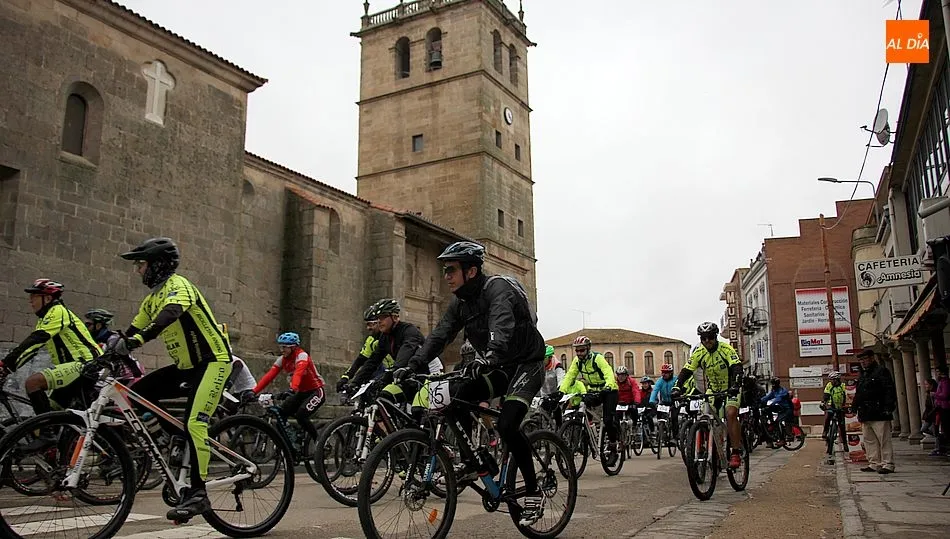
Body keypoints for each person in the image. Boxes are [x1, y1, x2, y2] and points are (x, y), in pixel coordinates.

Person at [402, 241, 547, 526]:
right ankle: (474, 461)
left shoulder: (497, 290)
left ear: (471, 271)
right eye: (444, 270)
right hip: (498, 365)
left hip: (525, 363)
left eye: (451, 269)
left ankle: (533, 491)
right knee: (454, 397)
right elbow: (440, 335)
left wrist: (491, 355)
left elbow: (501, 324)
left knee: (507, 426)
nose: (446, 275)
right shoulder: (460, 303)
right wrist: (412, 365)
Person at [109, 237, 233, 521]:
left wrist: (137, 340)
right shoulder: (152, 299)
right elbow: (133, 329)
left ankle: (199, 494)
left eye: (141, 264)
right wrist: (108, 352)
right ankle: (173, 439)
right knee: (134, 395)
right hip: (187, 367)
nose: (138, 271)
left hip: (213, 362)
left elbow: (170, 314)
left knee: (194, 422)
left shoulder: (179, 287)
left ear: (159, 265)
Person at [1, 279, 101, 425]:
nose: (30, 301)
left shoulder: (58, 311)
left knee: (33, 383)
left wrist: (5, 365)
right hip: (75, 368)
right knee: (49, 415)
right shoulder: (45, 318)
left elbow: (36, 340)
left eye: (34, 296)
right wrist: (8, 369)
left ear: (47, 298)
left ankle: (47, 435)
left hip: (87, 365)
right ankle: (51, 441)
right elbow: (31, 351)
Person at [672, 321, 744, 469]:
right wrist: (677, 387)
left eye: (710, 337)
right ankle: (710, 448)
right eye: (703, 338)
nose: (707, 341)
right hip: (713, 389)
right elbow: (686, 371)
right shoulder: (700, 352)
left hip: (730, 387)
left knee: (730, 414)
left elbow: (737, 367)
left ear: (715, 336)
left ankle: (736, 452)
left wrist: (736, 384)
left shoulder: (726, 349)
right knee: (704, 416)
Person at [346, 298, 426, 403]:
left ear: (395, 317)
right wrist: (355, 382)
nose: (379, 321)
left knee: (417, 409)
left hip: (427, 373)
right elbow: (373, 361)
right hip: (405, 373)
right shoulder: (385, 337)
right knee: (384, 398)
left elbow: (406, 351)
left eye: (383, 317)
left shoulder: (409, 331)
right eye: (378, 318)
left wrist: (393, 371)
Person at [252, 332, 325, 440]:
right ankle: (290, 441)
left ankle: (318, 442)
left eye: (285, 347)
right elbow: (269, 376)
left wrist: (292, 388)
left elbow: (298, 373)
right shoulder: (282, 359)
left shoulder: (302, 356)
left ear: (293, 347)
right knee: (281, 414)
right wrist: (253, 391)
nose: (282, 350)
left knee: (301, 416)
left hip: (315, 391)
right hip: (300, 392)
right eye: (280, 346)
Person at [560, 335, 620, 458]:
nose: (579, 353)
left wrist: (608, 385)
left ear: (588, 348)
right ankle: (589, 435)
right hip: (593, 390)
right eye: (577, 350)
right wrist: (561, 391)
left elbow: (608, 372)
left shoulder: (598, 359)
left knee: (608, 420)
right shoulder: (577, 362)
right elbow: (570, 376)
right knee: (580, 409)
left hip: (609, 390)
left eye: (582, 350)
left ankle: (613, 445)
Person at [851, 348, 897, 473]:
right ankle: (874, 462)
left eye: (864, 359)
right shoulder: (863, 374)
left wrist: (888, 407)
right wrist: (854, 407)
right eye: (860, 360)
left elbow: (889, 390)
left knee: (883, 439)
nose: (862, 362)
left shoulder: (881, 371)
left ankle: (887, 463)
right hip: (865, 412)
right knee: (869, 439)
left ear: (872, 358)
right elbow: (859, 393)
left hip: (879, 411)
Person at [85, 308, 146, 385]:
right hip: (115, 378)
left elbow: (108, 361)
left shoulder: (113, 338)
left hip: (130, 378)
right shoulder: (96, 341)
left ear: (98, 325)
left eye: (88, 325)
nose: (85, 328)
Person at [337, 305, 386, 393]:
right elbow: (360, 361)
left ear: (378, 322)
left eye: (370, 324)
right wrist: (345, 377)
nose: (368, 328)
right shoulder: (370, 340)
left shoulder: (389, 337)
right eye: (367, 325)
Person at [649, 363, 679, 442]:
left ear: (671, 373)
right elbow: (655, 390)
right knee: (659, 412)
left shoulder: (676, 380)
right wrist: (651, 401)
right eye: (663, 372)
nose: (664, 374)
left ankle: (675, 437)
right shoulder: (660, 381)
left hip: (674, 401)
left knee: (674, 417)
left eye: (666, 372)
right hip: (665, 401)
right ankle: (662, 428)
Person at [761, 377, 794, 445]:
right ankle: (772, 423)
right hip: (780, 408)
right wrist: (760, 400)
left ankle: (782, 440)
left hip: (787, 409)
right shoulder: (774, 391)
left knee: (778, 421)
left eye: (774, 385)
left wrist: (771, 404)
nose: (773, 386)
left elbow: (778, 399)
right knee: (767, 409)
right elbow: (768, 397)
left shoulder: (783, 391)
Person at [539, 344, 566, 427]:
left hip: (555, 394)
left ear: (550, 357)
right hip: (544, 394)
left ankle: (559, 429)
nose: (541, 361)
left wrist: (559, 391)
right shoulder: (539, 366)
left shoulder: (557, 366)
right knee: (541, 414)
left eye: (543, 358)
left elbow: (562, 380)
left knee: (556, 409)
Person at [821, 371, 847, 451]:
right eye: (831, 379)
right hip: (831, 406)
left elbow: (846, 396)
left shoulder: (843, 386)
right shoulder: (829, 385)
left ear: (837, 379)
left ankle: (845, 443)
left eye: (833, 380)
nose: (832, 381)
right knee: (828, 417)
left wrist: (846, 406)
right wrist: (823, 403)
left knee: (842, 426)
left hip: (840, 407)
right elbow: (826, 395)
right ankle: (825, 432)